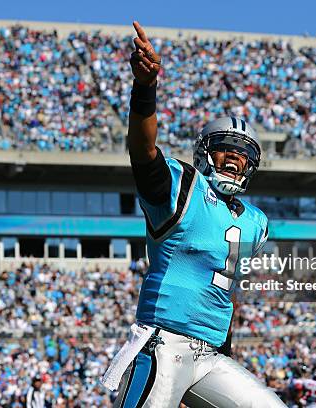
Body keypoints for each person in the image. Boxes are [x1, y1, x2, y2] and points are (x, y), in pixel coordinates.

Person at [106, 21, 286, 408]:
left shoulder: (254, 222)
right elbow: (143, 151)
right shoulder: (183, 188)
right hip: (164, 342)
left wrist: (226, 349)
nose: (235, 156)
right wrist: (145, 88)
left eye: (244, 152)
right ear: (205, 152)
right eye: (226, 147)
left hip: (212, 353)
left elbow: (223, 289)